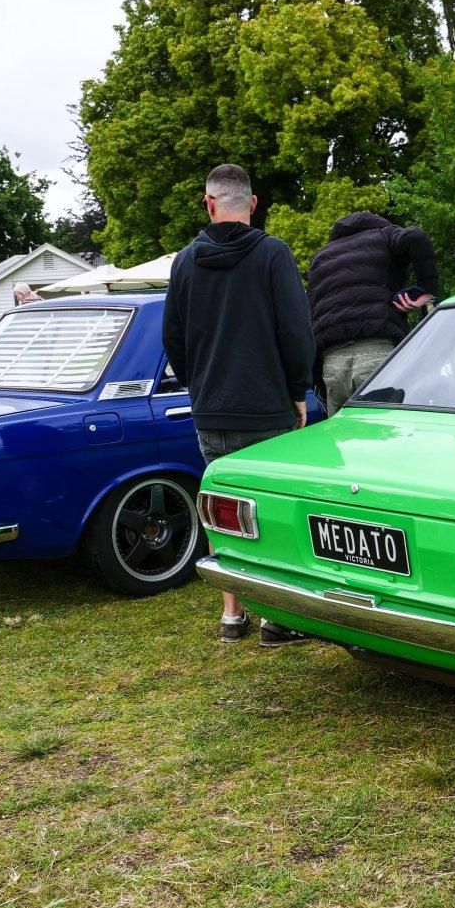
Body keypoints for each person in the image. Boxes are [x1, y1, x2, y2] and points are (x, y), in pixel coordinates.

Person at [162, 164, 316, 647]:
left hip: (212, 407)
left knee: (222, 509)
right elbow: (296, 330)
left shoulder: (185, 263)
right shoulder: (273, 254)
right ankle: (276, 618)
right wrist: (298, 390)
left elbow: (173, 339)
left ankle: (233, 615)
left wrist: (198, 386)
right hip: (268, 404)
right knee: (271, 511)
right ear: (252, 203)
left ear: (208, 204)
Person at [307, 211, 440, 415]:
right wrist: (426, 289)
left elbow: (311, 313)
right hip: (376, 354)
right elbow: (415, 237)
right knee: (381, 439)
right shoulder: (384, 235)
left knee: (342, 440)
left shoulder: (321, 257)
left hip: (332, 364)